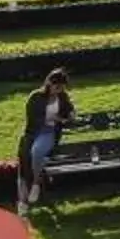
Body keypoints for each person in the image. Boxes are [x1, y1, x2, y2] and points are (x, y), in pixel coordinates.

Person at [19, 69, 73, 208]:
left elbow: (69, 113)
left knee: (37, 151)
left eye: (61, 87)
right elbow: (32, 117)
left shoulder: (63, 97)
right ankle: (28, 189)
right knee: (27, 153)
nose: (59, 90)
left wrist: (68, 116)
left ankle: (36, 183)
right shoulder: (36, 97)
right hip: (35, 131)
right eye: (57, 87)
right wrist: (49, 118)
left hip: (50, 131)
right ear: (49, 83)